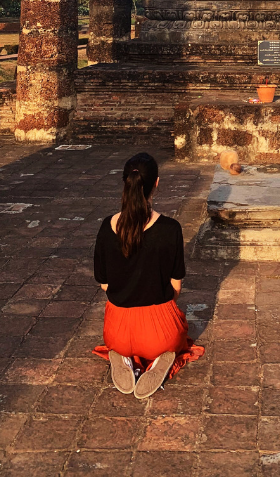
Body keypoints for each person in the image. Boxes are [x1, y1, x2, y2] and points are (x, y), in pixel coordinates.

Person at [91, 152, 204, 398]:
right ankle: (157, 362)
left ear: (125, 182)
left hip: (117, 332)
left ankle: (123, 357)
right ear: (156, 183)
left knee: (122, 340)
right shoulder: (170, 229)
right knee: (179, 330)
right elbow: (175, 289)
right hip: (160, 333)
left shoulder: (105, 226)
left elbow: (105, 286)